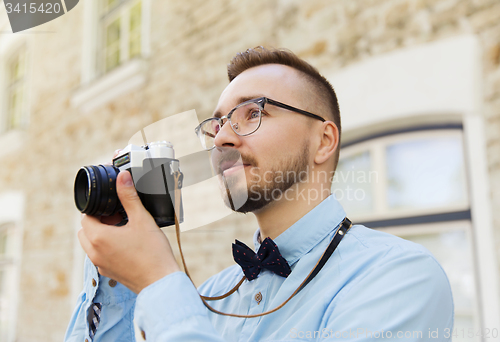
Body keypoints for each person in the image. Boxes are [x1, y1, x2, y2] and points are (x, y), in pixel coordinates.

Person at [65, 47, 453, 342]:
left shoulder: (399, 276)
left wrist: (158, 280)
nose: (222, 139)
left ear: (323, 140)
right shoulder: (208, 297)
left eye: (253, 113)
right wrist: (114, 277)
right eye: (216, 124)